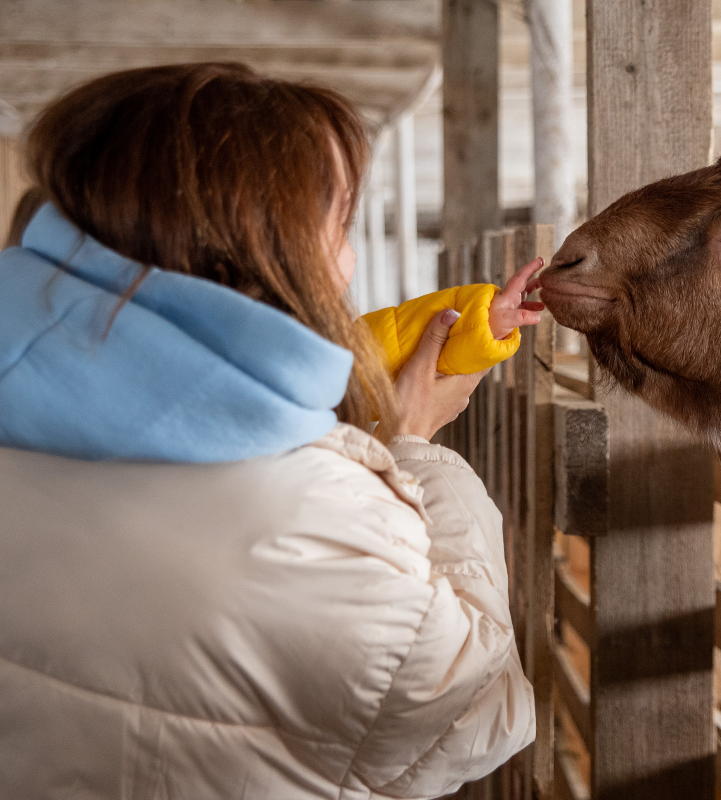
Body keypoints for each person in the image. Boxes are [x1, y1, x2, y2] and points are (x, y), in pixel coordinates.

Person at [0, 62, 538, 798]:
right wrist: (412, 445)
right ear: (260, 245)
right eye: (337, 227)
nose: (347, 267)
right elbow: (474, 715)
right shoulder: (321, 527)